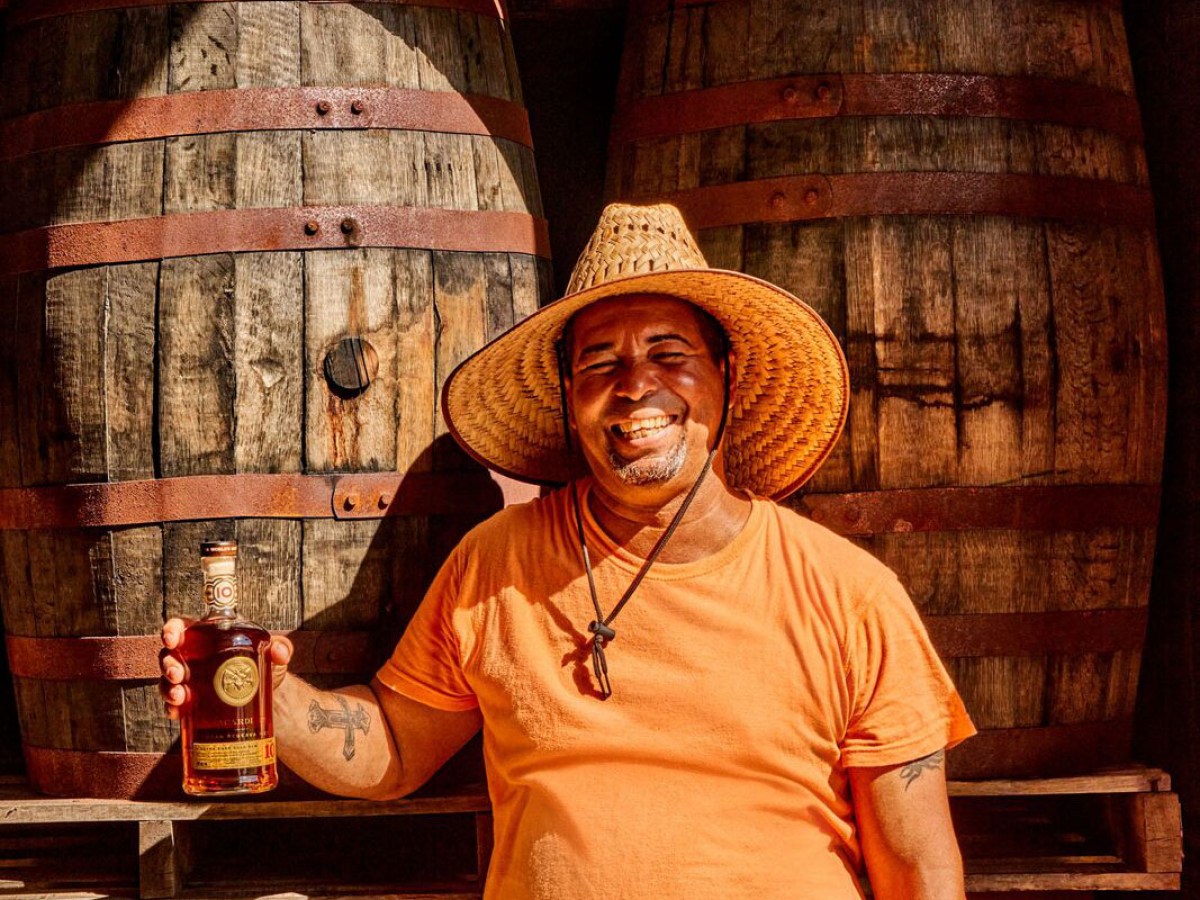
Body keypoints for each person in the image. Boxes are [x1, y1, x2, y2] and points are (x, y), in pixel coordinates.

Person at [161, 203, 975, 899]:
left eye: (669, 355)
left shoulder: (848, 592)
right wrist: (267, 693)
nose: (635, 386)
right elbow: (397, 747)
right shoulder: (496, 564)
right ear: (568, 398)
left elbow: (917, 866)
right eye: (600, 362)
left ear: (724, 377)